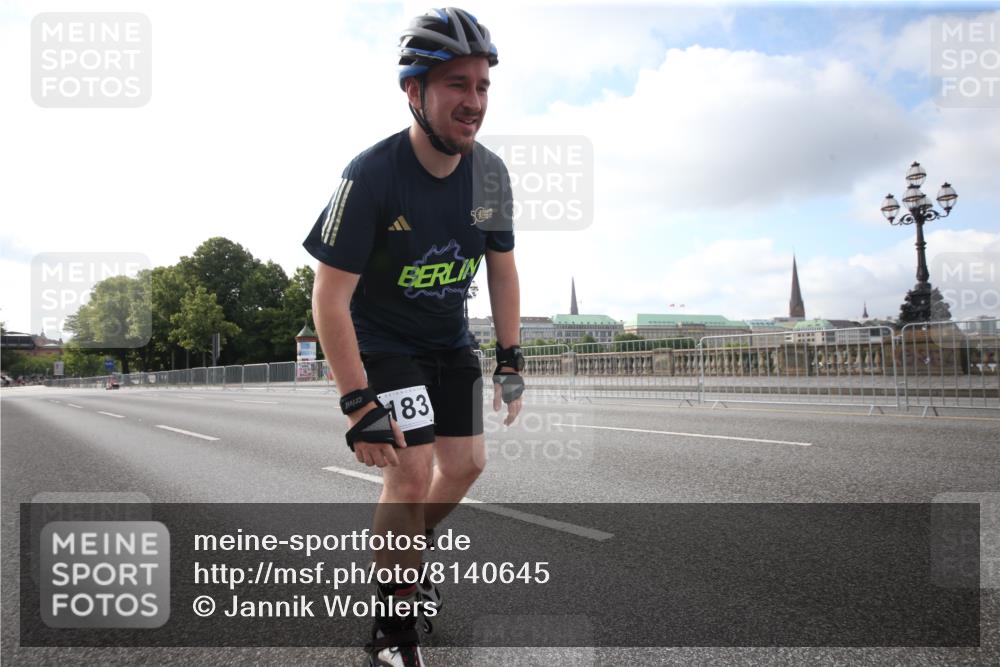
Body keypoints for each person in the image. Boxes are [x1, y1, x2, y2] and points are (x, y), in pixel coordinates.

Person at [303, 7, 524, 666]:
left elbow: (503, 270)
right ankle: (392, 624)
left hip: (449, 341)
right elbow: (329, 296)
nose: (474, 101)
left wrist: (510, 355)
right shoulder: (371, 175)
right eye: (457, 84)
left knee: (466, 466)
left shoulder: (489, 176)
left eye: (483, 85)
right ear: (414, 90)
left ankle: (399, 554)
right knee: (413, 469)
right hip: (384, 343)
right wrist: (357, 402)